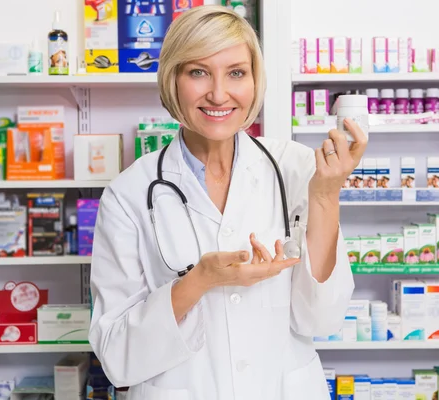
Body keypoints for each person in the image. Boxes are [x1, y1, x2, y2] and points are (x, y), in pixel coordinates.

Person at [88, 5, 366, 400]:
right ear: (173, 80)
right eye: (198, 72)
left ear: (255, 81)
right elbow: (116, 356)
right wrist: (200, 280)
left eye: (236, 72)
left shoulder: (298, 167)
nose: (219, 93)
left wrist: (325, 195)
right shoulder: (129, 193)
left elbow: (322, 318)